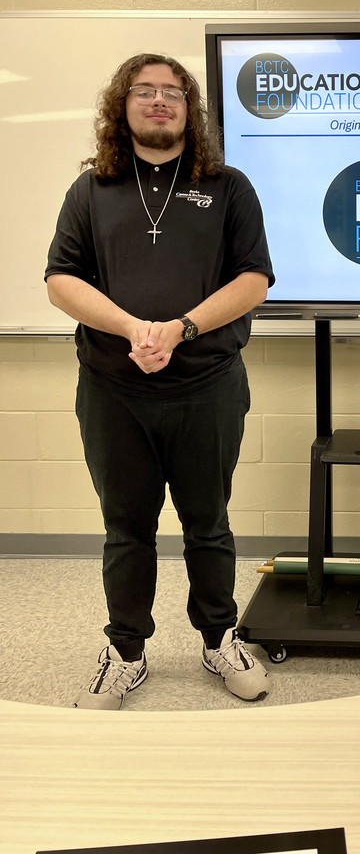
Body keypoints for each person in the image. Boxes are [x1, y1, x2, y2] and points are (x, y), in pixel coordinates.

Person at [45, 53, 274, 710]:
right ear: (122, 106)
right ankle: (125, 652)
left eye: (172, 92)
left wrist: (180, 329)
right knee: (127, 527)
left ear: (189, 110)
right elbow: (62, 280)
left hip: (208, 388)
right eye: (144, 91)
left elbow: (253, 279)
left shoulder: (228, 187)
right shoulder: (90, 190)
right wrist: (133, 329)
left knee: (208, 524)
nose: (159, 101)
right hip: (114, 393)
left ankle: (218, 639)